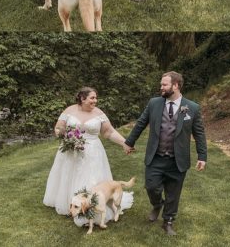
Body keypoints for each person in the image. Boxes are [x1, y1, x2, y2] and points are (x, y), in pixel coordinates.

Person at [123, 72, 207, 237]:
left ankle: (168, 221)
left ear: (175, 85)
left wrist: (202, 156)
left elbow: (199, 134)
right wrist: (129, 142)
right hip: (156, 157)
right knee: (152, 186)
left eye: (164, 85)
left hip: (178, 160)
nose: (161, 87)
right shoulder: (154, 103)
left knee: (173, 193)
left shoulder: (192, 108)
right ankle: (156, 204)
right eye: (161, 85)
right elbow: (141, 122)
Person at [43, 87, 134, 222]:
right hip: (71, 151)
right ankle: (71, 203)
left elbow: (109, 132)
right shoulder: (69, 111)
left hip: (93, 152)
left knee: (91, 178)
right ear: (82, 98)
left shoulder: (99, 113)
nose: (95, 101)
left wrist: (125, 143)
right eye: (92, 98)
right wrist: (65, 135)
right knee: (70, 174)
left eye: (96, 98)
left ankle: (91, 206)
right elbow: (58, 128)